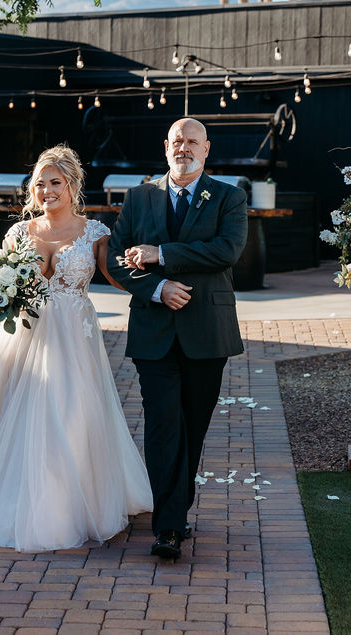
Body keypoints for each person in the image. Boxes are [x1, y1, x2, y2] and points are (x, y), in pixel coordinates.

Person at [0, 144, 152, 552]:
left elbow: (117, 277)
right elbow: (1, 285)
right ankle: (8, 499)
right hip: (25, 334)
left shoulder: (95, 232)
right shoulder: (19, 233)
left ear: (73, 185)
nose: (47, 190)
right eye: (40, 183)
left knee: (72, 413)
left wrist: (150, 281)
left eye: (55, 182)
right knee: (13, 410)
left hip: (74, 337)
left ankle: (68, 505)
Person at [107, 118, 248, 559]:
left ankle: (175, 510)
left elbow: (227, 250)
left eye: (192, 141)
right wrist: (155, 286)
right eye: (176, 141)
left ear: (207, 149)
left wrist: (163, 254)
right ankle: (167, 527)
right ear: (165, 146)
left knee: (193, 428)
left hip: (207, 332)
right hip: (153, 331)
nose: (183, 147)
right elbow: (114, 255)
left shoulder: (229, 196)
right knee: (163, 425)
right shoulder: (139, 196)